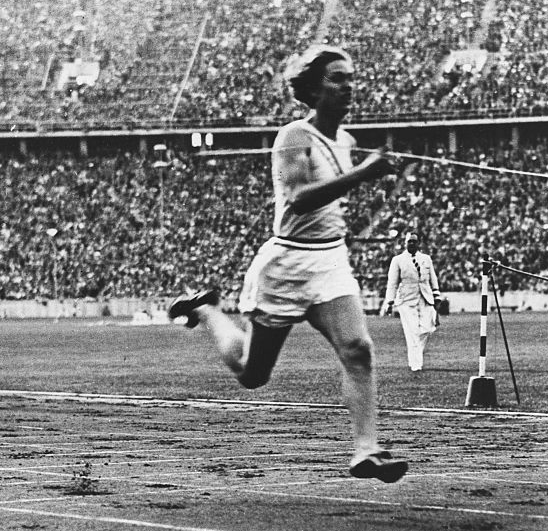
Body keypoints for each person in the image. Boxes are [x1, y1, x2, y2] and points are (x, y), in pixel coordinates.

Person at [168, 45, 408, 483]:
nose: (349, 87)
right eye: (338, 79)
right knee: (252, 374)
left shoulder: (348, 141)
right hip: (287, 263)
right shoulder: (293, 136)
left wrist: (371, 174)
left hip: (330, 260)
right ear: (314, 90)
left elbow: (331, 198)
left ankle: (367, 450)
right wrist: (365, 173)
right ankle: (206, 310)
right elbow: (297, 200)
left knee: (358, 349)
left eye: (352, 77)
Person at [383, 231, 442, 373]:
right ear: (404, 243)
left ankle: (416, 357)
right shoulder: (398, 260)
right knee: (412, 332)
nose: (412, 244)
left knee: (427, 328)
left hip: (425, 297)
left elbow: (432, 278)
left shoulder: (426, 259)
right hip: (406, 300)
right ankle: (416, 364)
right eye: (409, 241)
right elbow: (392, 283)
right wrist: (389, 302)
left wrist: (436, 295)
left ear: (419, 243)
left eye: (414, 241)